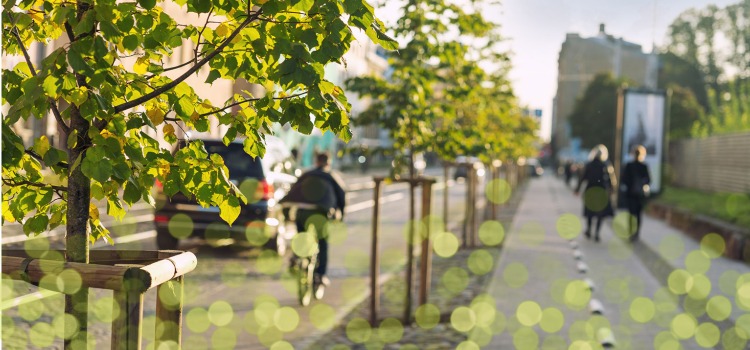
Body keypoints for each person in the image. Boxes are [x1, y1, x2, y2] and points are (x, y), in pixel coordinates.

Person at [280, 152, 346, 289]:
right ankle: (321, 275)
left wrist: (287, 215)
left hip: (302, 211)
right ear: (328, 163)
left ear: (316, 162)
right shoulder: (331, 176)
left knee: (301, 236)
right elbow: (341, 196)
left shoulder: (306, 174)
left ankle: (297, 256)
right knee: (322, 243)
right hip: (320, 212)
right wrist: (341, 216)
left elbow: (292, 193)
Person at [575, 145, 617, 242]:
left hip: (590, 190)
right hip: (601, 191)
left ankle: (589, 230)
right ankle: (597, 233)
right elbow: (612, 180)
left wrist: (577, 189)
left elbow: (582, 178)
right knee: (600, 214)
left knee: (590, 212)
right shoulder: (606, 166)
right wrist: (612, 190)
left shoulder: (589, 165)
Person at [620, 145, 651, 242]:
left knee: (631, 214)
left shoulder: (629, 165)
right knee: (638, 214)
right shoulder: (644, 166)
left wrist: (630, 185)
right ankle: (636, 233)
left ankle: (631, 232)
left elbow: (624, 179)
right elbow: (648, 180)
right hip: (640, 195)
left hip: (631, 194)